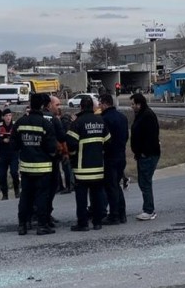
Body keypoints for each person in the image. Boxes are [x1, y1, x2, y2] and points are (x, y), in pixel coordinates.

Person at [14, 93, 57, 236]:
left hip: (26, 166)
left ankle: (22, 225)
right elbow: (51, 148)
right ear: (43, 106)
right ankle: (42, 225)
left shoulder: (20, 122)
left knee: (25, 195)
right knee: (41, 197)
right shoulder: (46, 124)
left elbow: (14, 145)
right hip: (43, 167)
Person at [66, 96, 110, 231]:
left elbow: (71, 143)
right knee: (97, 197)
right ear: (93, 107)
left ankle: (83, 224)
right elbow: (108, 142)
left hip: (82, 169)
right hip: (97, 168)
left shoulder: (77, 123)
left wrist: (73, 157)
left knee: (81, 199)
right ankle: (97, 223)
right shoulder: (101, 121)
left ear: (81, 107)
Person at [98, 94, 128, 225]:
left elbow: (105, 140)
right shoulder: (122, 117)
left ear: (105, 104)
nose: (99, 106)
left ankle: (114, 215)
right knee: (117, 185)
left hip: (110, 157)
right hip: (121, 155)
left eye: (100, 104)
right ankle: (122, 213)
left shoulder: (104, 119)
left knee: (111, 187)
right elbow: (126, 136)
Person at [129, 93, 160, 221]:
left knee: (145, 182)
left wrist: (143, 152)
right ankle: (148, 208)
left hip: (148, 154)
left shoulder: (147, 116)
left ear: (139, 104)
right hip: (143, 154)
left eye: (133, 104)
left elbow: (150, 137)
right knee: (143, 182)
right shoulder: (141, 115)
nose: (132, 107)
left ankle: (149, 210)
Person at [43, 95, 68, 227]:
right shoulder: (54, 119)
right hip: (51, 159)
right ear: (49, 105)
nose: (59, 107)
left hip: (38, 160)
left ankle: (39, 214)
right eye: (57, 105)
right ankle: (45, 214)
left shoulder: (33, 117)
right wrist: (65, 153)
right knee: (51, 187)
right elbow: (62, 137)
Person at [0, 108, 19, 200]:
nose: (8, 117)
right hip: (2, 154)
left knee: (14, 172)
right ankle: (5, 194)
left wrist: (11, 141)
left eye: (10, 115)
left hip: (13, 154)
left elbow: (18, 138)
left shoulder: (15, 125)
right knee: (2, 175)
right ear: (3, 117)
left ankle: (17, 191)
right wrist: (2, 140)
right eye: (6, 116)